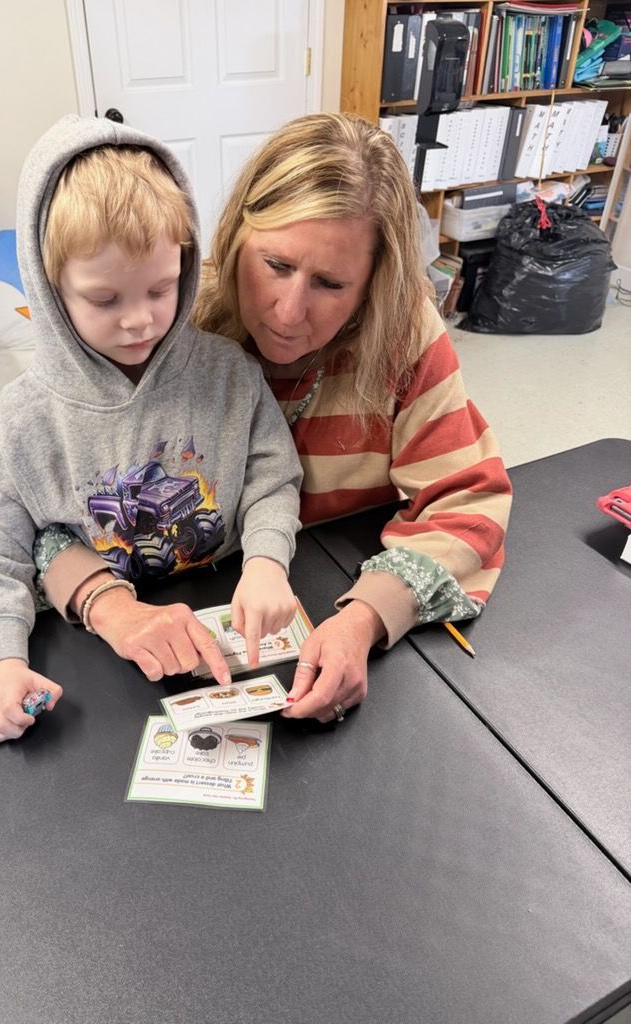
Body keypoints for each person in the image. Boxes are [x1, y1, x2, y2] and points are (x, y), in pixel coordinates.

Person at [35, 112, 513, 724]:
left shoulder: (404, 334)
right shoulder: (162, 323)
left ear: (373, 286)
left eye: (332, 283)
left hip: (322, 590)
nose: (288, 312)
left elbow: (468, 499)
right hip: (166, 614)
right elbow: (42, 512)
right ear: (235, 238)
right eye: (276, 266)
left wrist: (365, 619)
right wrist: (109, 608)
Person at [0, 114, 303, 743]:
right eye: (104, 299)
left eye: (162, 288)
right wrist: (3, 662)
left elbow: (273, 476)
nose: (139, 321)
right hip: (97, 650)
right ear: (49, 288)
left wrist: (266, 562)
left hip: (229, 613)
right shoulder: (23, 420)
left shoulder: (229, 371)